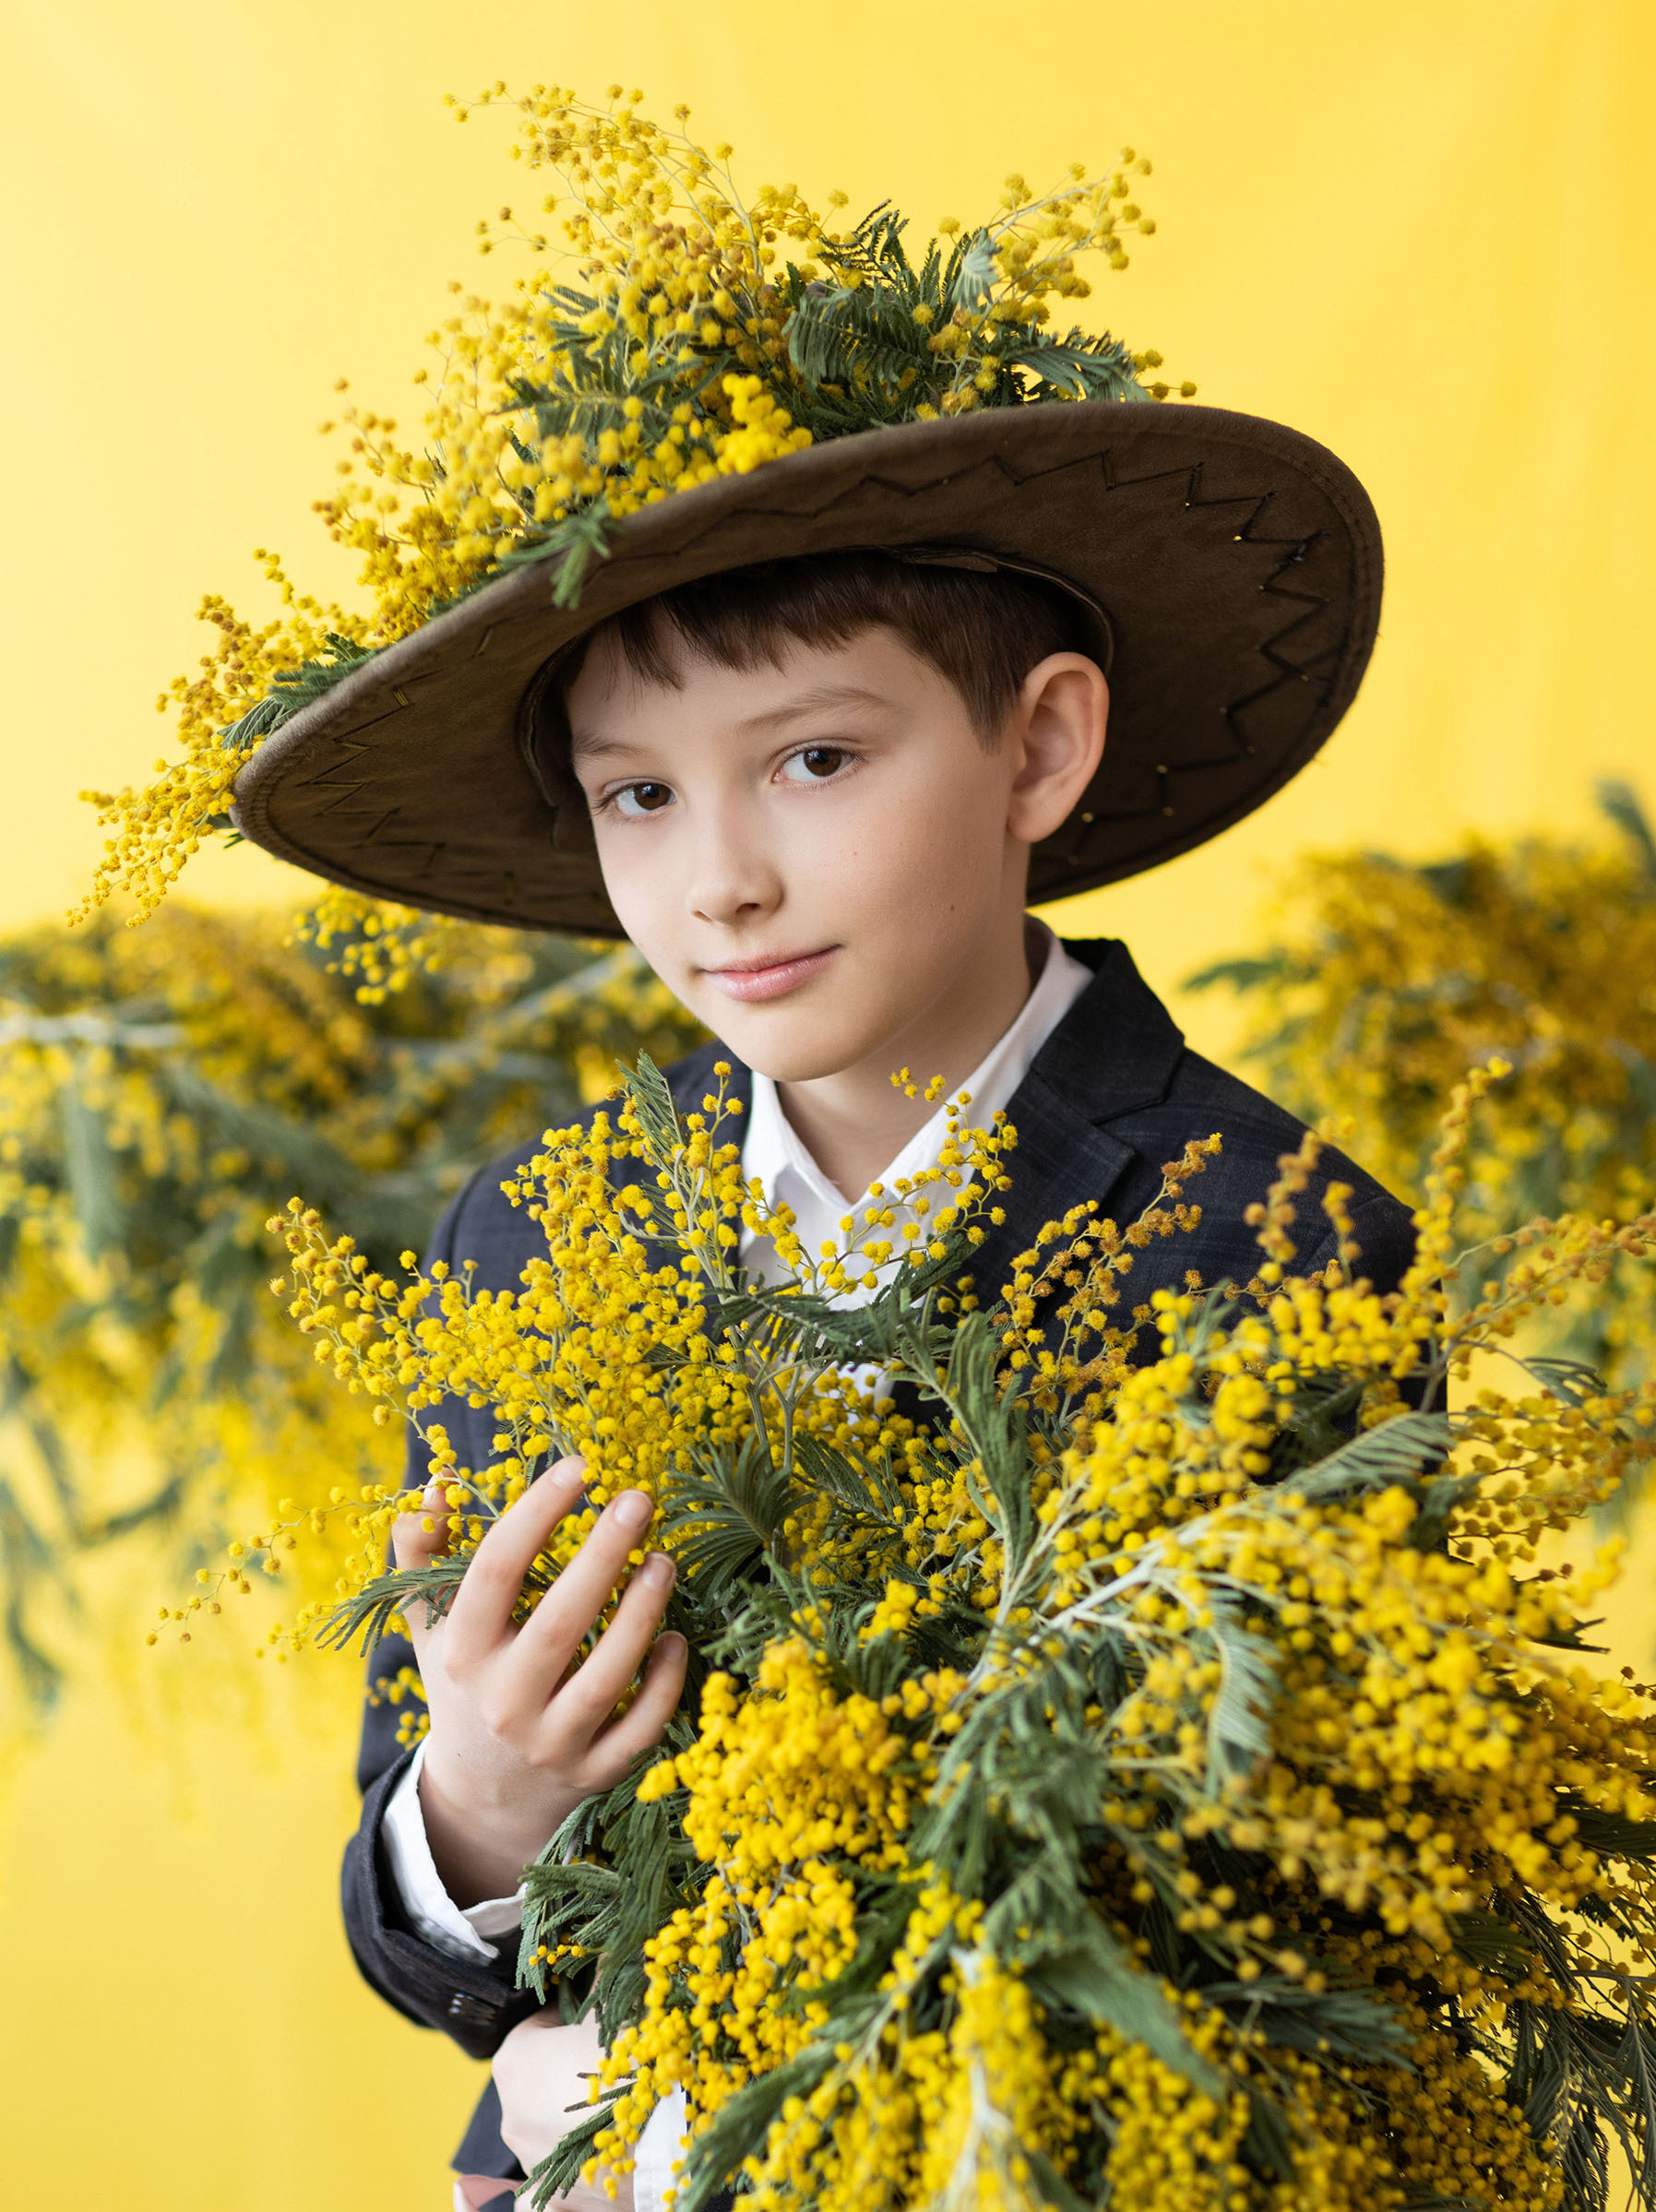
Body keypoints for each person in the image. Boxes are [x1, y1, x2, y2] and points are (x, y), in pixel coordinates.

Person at [233, 354, 1409, 2203]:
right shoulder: (538, 1233)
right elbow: (432, 1955)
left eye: (813, 759)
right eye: (634, 796)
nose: (720, 882)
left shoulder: (1269, 1240)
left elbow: (1308, 1910)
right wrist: (476, 1804)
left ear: (1036, 746)